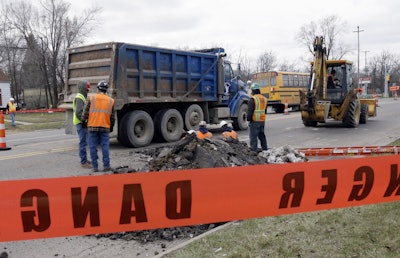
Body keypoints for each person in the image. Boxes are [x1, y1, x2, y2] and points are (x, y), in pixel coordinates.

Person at [82, 80, 115, 172]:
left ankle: (95, 167)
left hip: (92, 126)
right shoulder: (111, 101)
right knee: (105, 146)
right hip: (105, 127)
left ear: (98, 89)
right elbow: (112, 117)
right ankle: (106, 165)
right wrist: (111, 126)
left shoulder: (91, 98)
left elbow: (85, 112)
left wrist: (83, 121)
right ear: (106, 90)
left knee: (93, 146)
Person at [73, 80, 91, 169]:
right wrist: (84, 121)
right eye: (87, 89)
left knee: (84, 142)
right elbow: (78, 112)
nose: (88, 91)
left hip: (81, 122)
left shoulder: (82, 97)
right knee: (82, 142)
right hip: (81, 123)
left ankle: (85, 159)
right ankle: (83, 162)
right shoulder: (80, 98)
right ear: (83, 88)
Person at [247, 83, 268, 152]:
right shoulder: (264, 99)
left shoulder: (253, 99)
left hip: (255, 121)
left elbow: (250, 111)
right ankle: (265, 150)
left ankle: (254, 152)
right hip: (262, 121)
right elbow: (265, 110)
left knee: (253, 138)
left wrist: (248, 119)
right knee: (262, 136)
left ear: (253, 90)